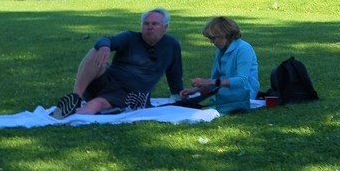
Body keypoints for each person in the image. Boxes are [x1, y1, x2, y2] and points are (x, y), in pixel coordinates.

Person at [51, 8, 184, 117]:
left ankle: (72, 115)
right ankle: (75, 98)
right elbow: (106, 40)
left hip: (128, 94)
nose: (149, 27)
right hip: (106, 80)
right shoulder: (130, 37)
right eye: (146, 24)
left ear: (165, 27)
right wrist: (104, 47)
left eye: (154, 24)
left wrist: (178, 93)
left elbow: (174, 73)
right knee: (97, 50)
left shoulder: (171, 45)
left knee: (96, 105)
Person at [174, 16, 258, 111]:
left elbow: (241, 81)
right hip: (225, 92)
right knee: (187, 105)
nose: (211, 42)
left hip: (243, 95)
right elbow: (216, 80)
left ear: (225, 35)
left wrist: (208, 82)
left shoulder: (243, 49)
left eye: (213, 38)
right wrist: (195, 90)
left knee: (198, 108)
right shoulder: (221, 50)